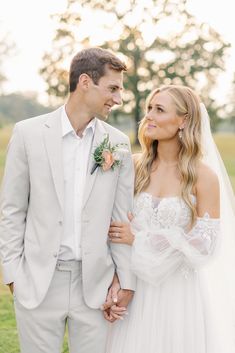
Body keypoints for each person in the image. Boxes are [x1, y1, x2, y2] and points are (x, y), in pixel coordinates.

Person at [0, 47, 136, 353]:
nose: (118, 99)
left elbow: (121, 218)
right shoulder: (27, 134)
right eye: (113, 88)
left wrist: (125, 281)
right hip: (37, 283)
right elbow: (12, 210)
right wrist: (13, 275)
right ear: (85, 82)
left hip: (96, 285)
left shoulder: (117, 143)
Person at [104, 85, 235, 353]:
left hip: (177, 295)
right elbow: (114, 228)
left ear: (183, 121)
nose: (149, 116)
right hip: (134, 290)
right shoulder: (134, 166)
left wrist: (139, 238)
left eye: (159, 110)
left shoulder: (203, 176)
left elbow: (205, 243)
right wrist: (118, 281)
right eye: (149, 108)